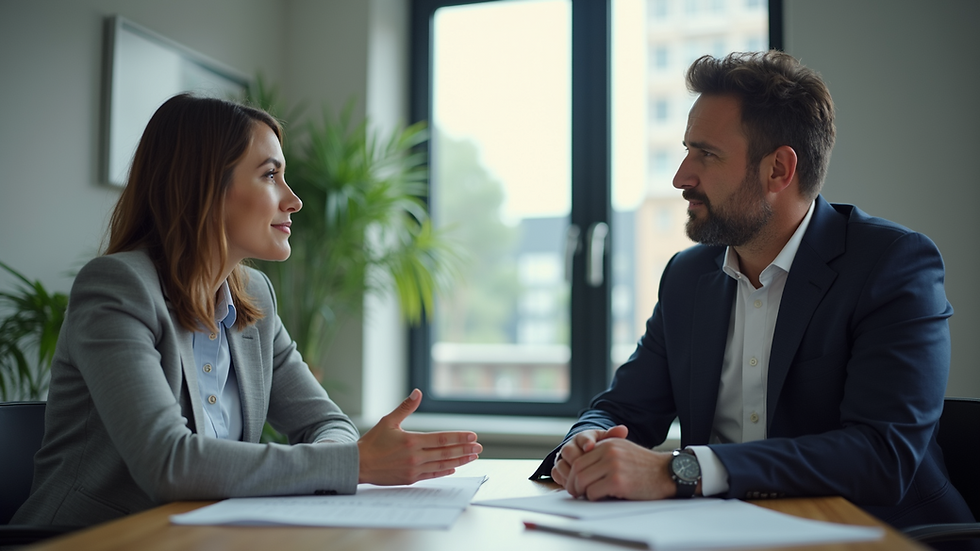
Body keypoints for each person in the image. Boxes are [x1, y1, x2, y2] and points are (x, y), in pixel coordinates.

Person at [532, 51, 975, 533]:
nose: (681, 177)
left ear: (778, 170)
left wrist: (683, 471)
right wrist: (589, 440)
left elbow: (881, 456)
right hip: (721, 535)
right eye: (686, 151)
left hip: (880, 535)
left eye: (706, 154)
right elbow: (623, 407)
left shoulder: (892, 264)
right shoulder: (687, 277)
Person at [13, 94, 481, 528]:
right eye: (270, 175)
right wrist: (356, 463)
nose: (292, 199)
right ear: (205, 187)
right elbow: (167, 462)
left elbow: (327, 423)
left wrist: (345, 456)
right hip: (91, 539)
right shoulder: (117, 288)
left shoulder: (253, 297)